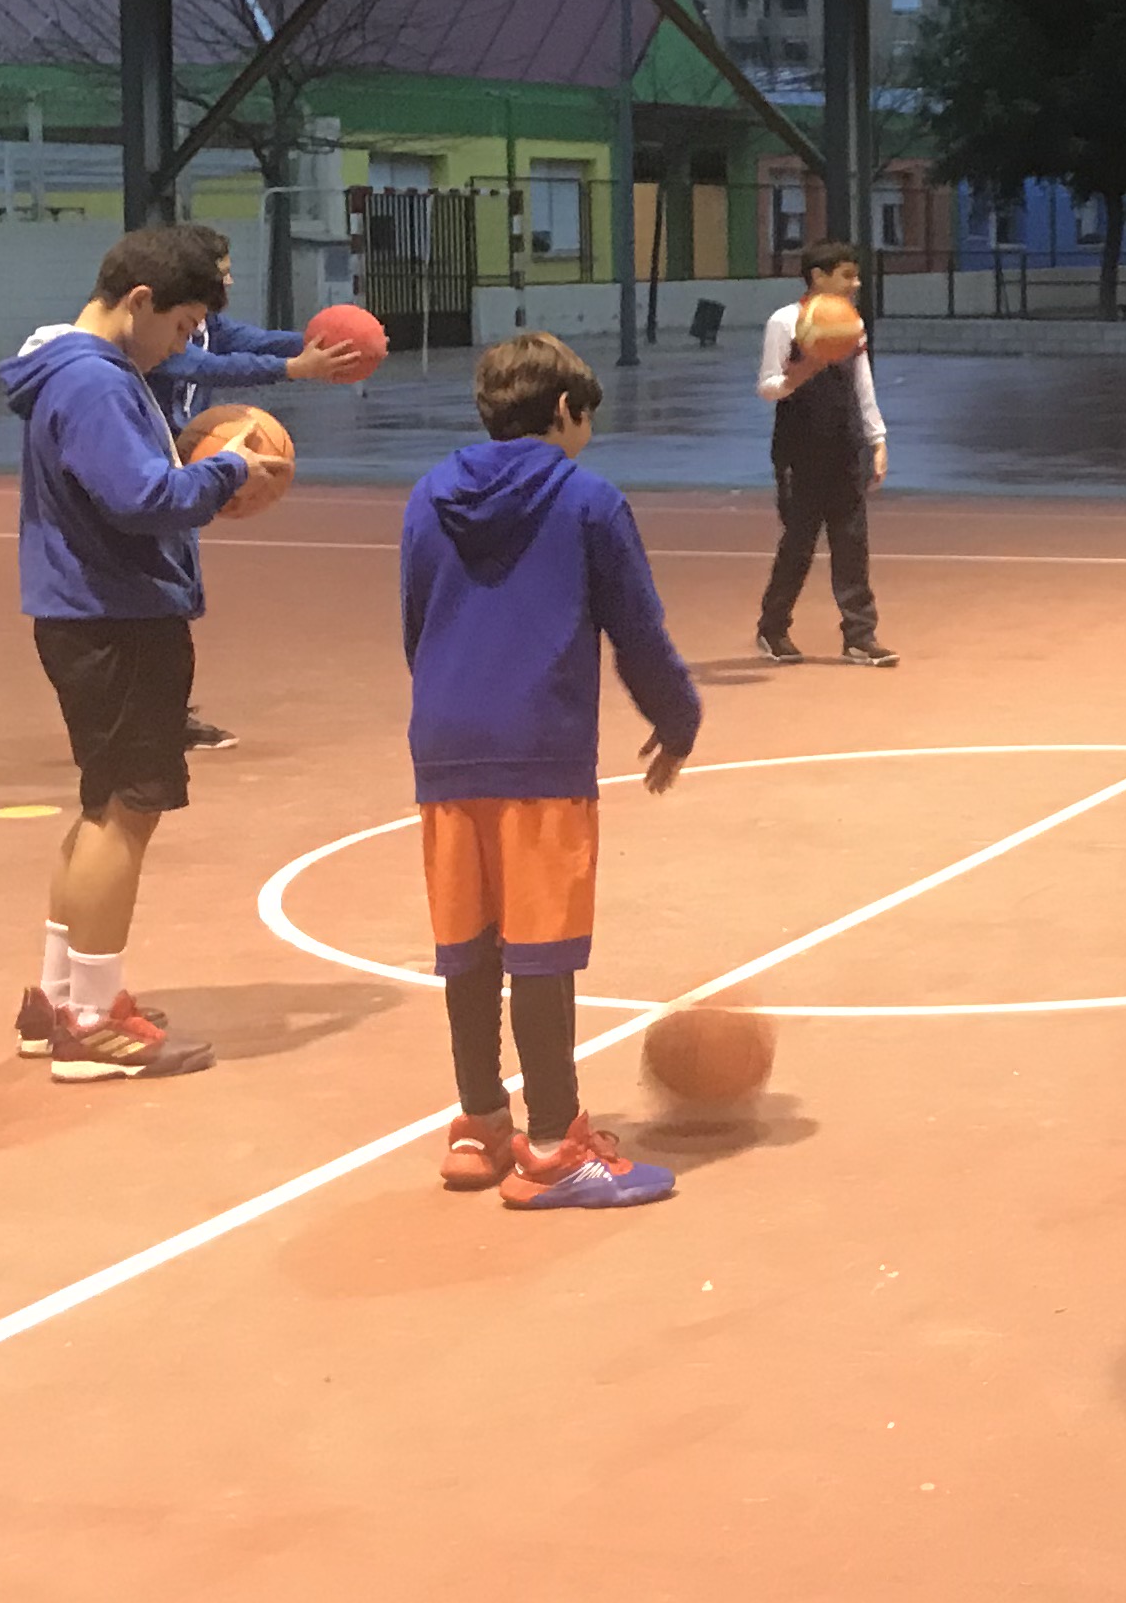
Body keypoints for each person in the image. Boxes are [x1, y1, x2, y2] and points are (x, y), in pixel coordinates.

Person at [403, 332, 703, 1209]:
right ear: (567, 411)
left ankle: (479, 1123)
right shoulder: (589, 501)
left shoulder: (427, 495)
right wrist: (677, 719)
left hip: (447, 742)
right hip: (539, 744)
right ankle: (553, 1147)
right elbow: (636, 630)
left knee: (467, 946)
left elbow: (415, 622)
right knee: (540, 951)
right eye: (586, 419)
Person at [0, 224, 256, 1082]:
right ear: (140, 302)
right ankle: (92, 1020)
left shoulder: (74, 371)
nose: (182, 346)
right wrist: (226, 473)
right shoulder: (95, 382)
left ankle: (59, 995)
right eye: (182, 328)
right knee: (124, 814)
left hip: (88, 611)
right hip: (114, 616)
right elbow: (143, 498)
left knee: (102, 805)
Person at [146, 232, 374, 751]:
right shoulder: (161, 335)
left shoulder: (204, 324)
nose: (229, 279)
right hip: (151, 467)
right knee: (161, 594)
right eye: (221, 270)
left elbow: (248, 341)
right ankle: (157, 713)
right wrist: (293, 369)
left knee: (177, 594)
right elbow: (206, 368)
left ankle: (160, 708)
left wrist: (318, 347)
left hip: (182, 464)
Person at [755, 240, 895, 667]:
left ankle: (859, 635)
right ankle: (773, 628)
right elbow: (766, 386)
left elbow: (862, 382)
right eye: (847, 275)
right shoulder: (786, 322)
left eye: (855, 276)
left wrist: (877, 437)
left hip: (845, 443)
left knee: (852, 541)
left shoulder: (852, 324)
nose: (854, 284)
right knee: (798, 542)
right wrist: (796, 378)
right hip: (799, 448)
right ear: (818, 276)